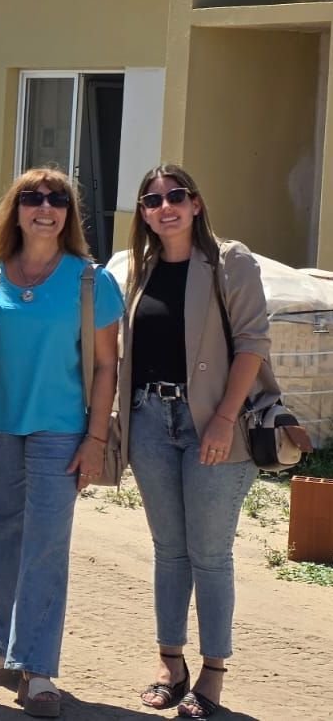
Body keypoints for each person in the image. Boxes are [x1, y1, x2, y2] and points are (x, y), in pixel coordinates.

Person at [120, 165, 306, 719]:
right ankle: (169, 663)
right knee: (168, 550)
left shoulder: (231, 261)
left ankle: (213, 674)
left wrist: (225, 419)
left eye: (176, 196)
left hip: (215, 422)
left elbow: (252, 344)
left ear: (196, 204)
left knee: (210, 554)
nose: (165, 207)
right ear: (144, 212)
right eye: (152, 200)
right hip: (151, 420)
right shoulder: (140, 267)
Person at [0, 168, 122, 718]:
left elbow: (107, 366)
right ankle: (3, 650)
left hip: (61, 430)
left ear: (69, 213)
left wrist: (96, 437)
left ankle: (36, 668)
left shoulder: (89, 281)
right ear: (14, 209)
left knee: (45, 545)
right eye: (32, 198)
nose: (44, 207)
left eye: (56, 199)